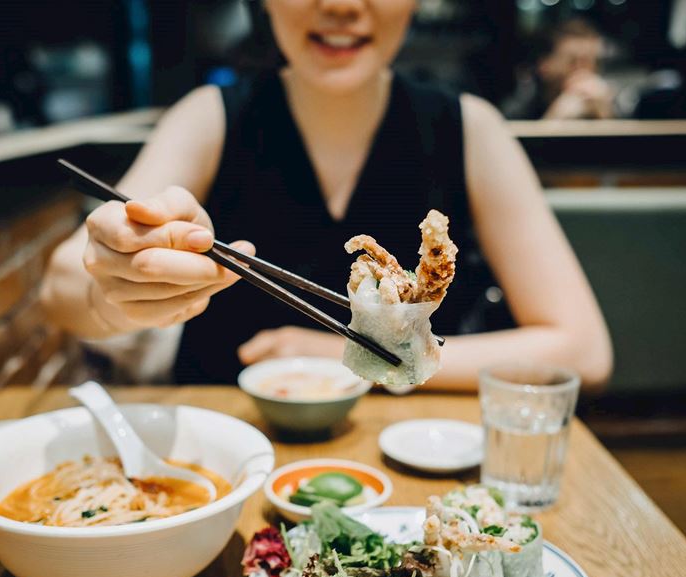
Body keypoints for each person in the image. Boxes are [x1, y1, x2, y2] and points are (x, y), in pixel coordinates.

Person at [41, 0, 612, 392]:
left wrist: (343, 354)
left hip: (412, 469)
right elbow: (64, 285)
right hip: (231, 465)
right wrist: (115, 288)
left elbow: (585, 351)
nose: (340, 5)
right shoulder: (210, 118)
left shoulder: (470, 129)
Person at [503, 18, 615, 120]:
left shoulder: (610, 100)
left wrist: (606, 116)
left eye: (591, 61)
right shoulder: (520, 108)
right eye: (573, 61)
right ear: (544, 65)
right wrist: (555, 119)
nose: (583, 69)